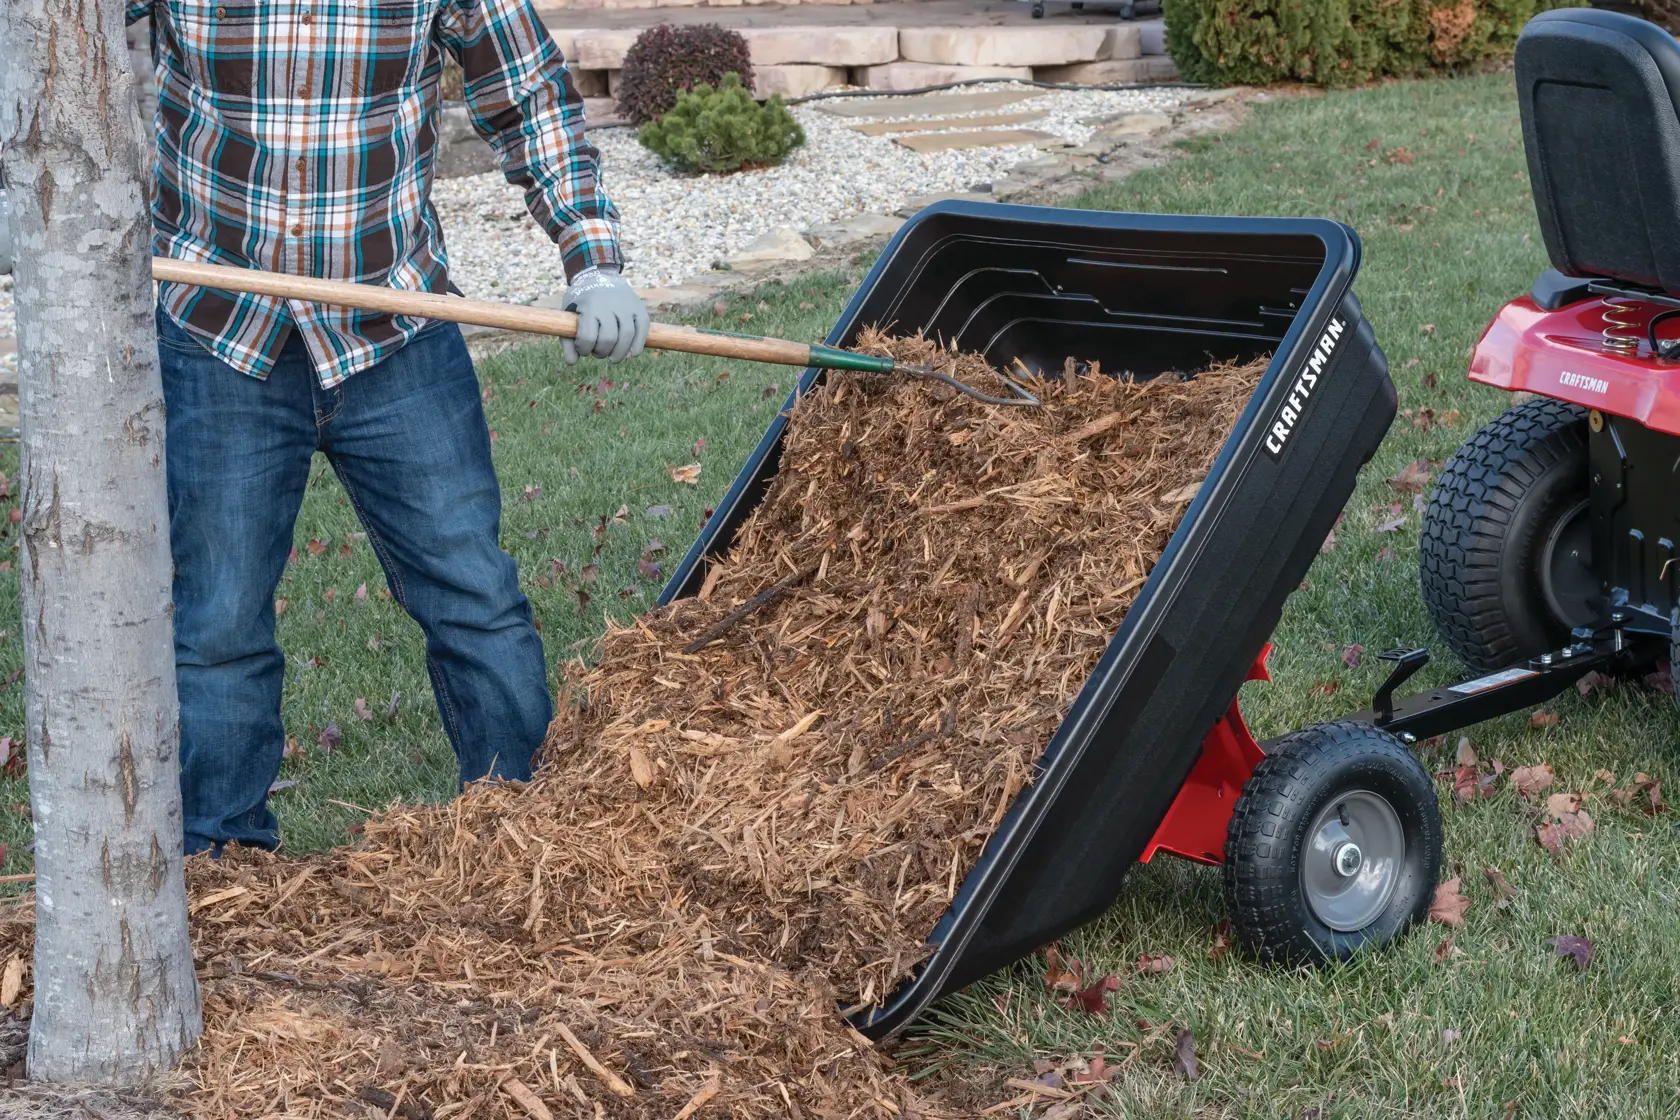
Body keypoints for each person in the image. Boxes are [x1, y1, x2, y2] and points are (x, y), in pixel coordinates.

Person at [125, 0, 649, 854]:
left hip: (394, 333)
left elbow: (529, 96)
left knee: (476, 599)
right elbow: (54, 43)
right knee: (215, 626)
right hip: (220, 331)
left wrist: (594, 262)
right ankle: (219, 868)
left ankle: (530, 840)